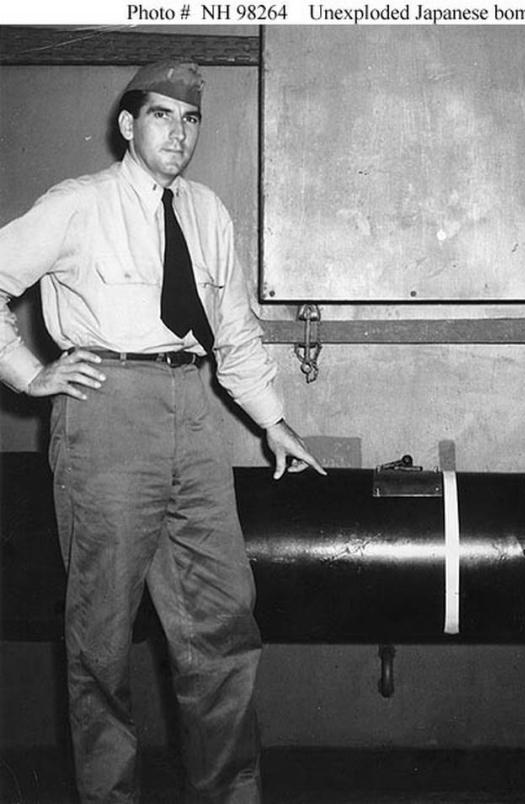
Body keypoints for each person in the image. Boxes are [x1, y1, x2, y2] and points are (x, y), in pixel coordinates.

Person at [0, 61, 324, 802]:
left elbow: (233, 327)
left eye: (191, 119)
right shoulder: (77, 205)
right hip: (106, 414)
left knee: (223, 623)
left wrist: (273, 422)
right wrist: (27, 372)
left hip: (195, 412)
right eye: (161, 116)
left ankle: (229, 793)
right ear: (127, 125)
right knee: (101, 640)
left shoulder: (207, 211)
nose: (178, 133)